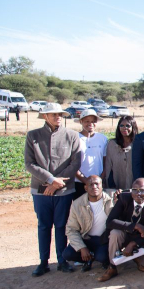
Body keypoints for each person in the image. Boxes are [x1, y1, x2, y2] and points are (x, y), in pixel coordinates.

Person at [24, 102, 81, 276]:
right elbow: (30, 163)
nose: (58, 117)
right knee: (44, 225)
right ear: (45, 116)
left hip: (64, 190)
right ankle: (43, 262)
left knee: (61, 225)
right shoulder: (33, 136)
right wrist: (50, 180)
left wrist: (58, 182)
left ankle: (62, 260)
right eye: (54, 114)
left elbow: (75, 162)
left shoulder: (71, 135)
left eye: (60, 115)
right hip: (40, 189)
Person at [98, 178, 144, 282]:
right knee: (114, 233)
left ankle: (140, 261)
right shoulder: (124, 198)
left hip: (141, 237)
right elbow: (110, 222)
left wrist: (133, 243)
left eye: (142, 190)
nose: (138, 193)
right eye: (134, 190)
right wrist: (135, 226)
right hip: (124, 233)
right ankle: (112, 267)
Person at [62, 175, 116, 272]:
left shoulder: (111, 199)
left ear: (102, 186)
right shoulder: (77, 204)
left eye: (97, 184)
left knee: (102, 257)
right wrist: (82, 247)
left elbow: (131, 192)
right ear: (85, 188)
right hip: (86, 238)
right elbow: (71, 229)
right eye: (90, 185)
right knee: (67, 254)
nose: (94, 187)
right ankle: (88, 258)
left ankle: (102, 259)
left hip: (103, 239)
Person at [74, 109, 109, 200]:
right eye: (87, 121)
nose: (91, 124)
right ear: (81, 122)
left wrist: (100, 179)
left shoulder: (102, 138)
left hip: (98, 183)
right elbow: (72, 164)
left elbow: (105, 161)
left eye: (93, 121)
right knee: (81, 210)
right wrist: (86, 181)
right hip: (79, 182)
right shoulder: (75, 138)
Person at [104, 116, 138, 190]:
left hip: (135, 187)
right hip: (115, 186)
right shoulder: (112, 144)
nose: (124, 128)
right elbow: (108, 166)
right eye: (121, 125)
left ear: (133, 127)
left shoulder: (138, 144)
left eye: (128, 126)